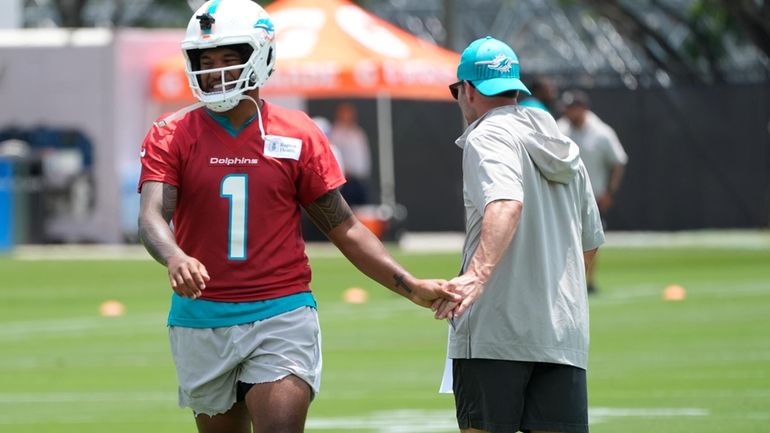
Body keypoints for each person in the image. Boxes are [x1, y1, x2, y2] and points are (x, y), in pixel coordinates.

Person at [136, 1, 460, 432]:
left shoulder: (298, 133)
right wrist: (174, 256)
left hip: (281, 313)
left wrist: (409, 284)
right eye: (205, 60)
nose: (214, 72)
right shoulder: (171, 133)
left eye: (228, 59)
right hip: (201, 319)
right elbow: (153, 216)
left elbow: (344, 227)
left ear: (261, 55)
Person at [434, 36, 605, 433]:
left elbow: (506, 203)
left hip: (496, 334)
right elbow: (590, 243)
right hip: (562, 337)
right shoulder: (562, 144)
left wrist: (476, 275)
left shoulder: (486, 135)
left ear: (469, 90)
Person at [557, 89, 628, 294]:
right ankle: (567, 281)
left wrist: (610, 192)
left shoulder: (601, 132)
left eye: (573, 108)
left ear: (583, 108)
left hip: (593, 195)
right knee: (566, 238)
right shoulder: (560, 129)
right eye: (567, 108)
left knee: (590, 238)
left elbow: (618, 161)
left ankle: (587, 281)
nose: (569, 112)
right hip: (565, 193)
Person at [329, 103, 371, 205]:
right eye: (345, 113)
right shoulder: (335, 133)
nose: (348, 116)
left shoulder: (358, 132)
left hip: (360, 181)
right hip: (345, 181)